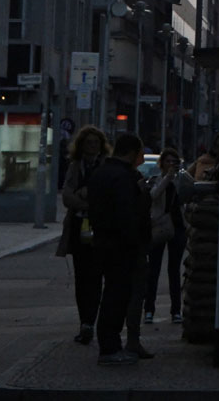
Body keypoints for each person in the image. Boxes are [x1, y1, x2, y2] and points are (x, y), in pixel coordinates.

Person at [87, 132, 152, 366]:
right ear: (132, 153)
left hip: (103, 240)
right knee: (118, 296)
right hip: (121, 245)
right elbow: (128, 214)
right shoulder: (124, 177)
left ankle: (109, 344)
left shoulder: (101, 173)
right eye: (139, 154)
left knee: (110, 294)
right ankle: (110, 347)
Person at [56, 124, 110, 346]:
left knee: (95, 275)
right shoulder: (75, 166)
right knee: (81, 276)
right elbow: (67, 196)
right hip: (79, 225)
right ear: (81, 145)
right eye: (88, 143)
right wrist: (84, 202)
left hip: (99, 226)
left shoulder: (105, 166)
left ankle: (90, 321)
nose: (92, 146)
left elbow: (106, 196)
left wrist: (87, 196)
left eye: (96, 143)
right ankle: (84, 322)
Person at [144, 148, 186, 325]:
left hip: (177, 228)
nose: (170, 165)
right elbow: (154, 195)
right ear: (161, 164)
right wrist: (167, 177)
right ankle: (149, 309)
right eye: (167, 161)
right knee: (153, 269)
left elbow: (188, 195)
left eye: (173, 162)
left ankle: (176, 310)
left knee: (174, 270)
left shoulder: (181, 180)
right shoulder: (156, 180)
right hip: (159, 226)